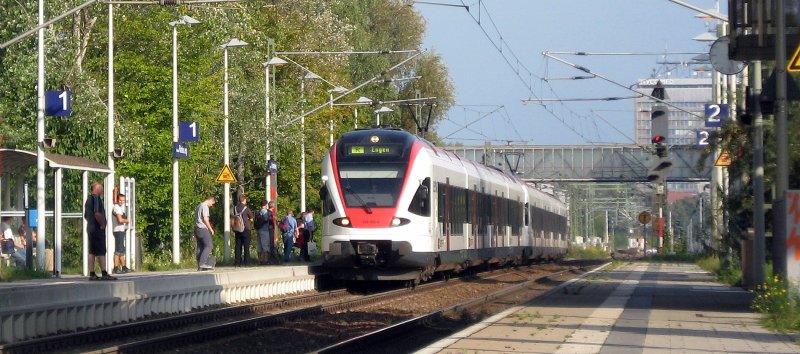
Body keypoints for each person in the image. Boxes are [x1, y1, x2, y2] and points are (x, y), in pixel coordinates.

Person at [84, 182, 116, 280]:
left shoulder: (88, 200)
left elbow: (86, 216)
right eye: (101, 189)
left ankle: (92, 273)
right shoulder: (96, 199)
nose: (102, 191)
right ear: (97, 189)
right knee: (101, 250)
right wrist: (102, 224)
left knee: (92, 251)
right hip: (97, 228)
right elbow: (97, 213)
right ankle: (104, 272)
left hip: (90, 228)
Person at [194, 196, 216, 271]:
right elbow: (205, 219)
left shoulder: (199, 206)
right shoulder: (205, 206)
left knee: (200, 247)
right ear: (210, 200)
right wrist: (211, 229)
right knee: (209, 246)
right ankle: (203, 263)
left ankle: (200, 266)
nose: (212, 205)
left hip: (197, 229)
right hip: (203, 229)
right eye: (212, 203)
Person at [112, 194, 130, 274]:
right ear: (117, 199)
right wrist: (127, 220)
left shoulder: (119, 208)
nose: (122, 202)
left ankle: (124, 267)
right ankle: (115, 267)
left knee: (121, 249)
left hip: (121, 230)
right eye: (120, 200)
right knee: (118, 250)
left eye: (123, 200)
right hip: (118, 230)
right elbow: (120, 220)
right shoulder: (117, 208)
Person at [233, 194, 253, 266]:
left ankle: (237, 262)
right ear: (244, 200)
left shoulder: (235, 208)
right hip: (245, 228)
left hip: (237, 229)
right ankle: (247, 262)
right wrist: (247, 219)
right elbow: (251, 219)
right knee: (246, 246)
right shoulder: (246, 208)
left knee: (238, 246)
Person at [255, 199, 274, 265]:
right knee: (265, 245)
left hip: (258, 230)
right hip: (264, 230)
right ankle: (265, 260)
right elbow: (266, 219)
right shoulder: (265, 211)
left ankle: (259, 260)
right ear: (266, 204)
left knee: (259, 246)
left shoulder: (258, 211)